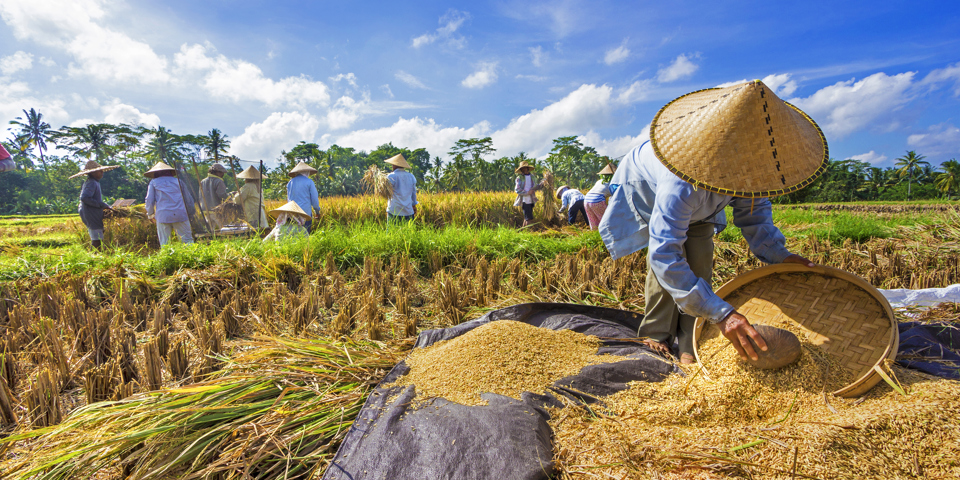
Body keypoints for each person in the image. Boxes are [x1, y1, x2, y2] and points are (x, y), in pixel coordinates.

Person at [598, 80, 825, 364]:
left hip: (701, 209)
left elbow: (755, 217)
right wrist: (724, 314)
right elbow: (664, 253)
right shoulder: (680, 181)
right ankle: (656, 334)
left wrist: (781, 256)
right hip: (647, 188)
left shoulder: (750, 174)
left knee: (701, 261)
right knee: (667, 265)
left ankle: (689, 341)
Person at [69, 160, 120, 250]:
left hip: (91, 212)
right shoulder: (92, 183)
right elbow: (85, 198)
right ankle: (94, 256)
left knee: (99, 235)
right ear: (92, 173)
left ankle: (97, 255)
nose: (102, 172)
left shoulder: (93, 182)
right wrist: (101, 205)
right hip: (91, 213)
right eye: (99, 171)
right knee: (97, 239)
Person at [145, 162, 195, 246]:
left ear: (156, 173)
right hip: (180, 214)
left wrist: (150, 214)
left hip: (163, 215)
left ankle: (167, 258)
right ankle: (192, 258)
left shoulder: (153, 182)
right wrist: (191, 212)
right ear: (170, 172)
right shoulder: (178, 181)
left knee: (165, 244)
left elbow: (149, 200)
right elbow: (188, 199)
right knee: (187, 242)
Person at [286, 161, 320, 232]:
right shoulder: (309, 182)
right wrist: (317, 211)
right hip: (305, 213)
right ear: (306, 172)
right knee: (305, 234)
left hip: (292, 212)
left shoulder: (290, 183)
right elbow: (314, 199)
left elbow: (288, 198)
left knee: (293, 235)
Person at [384, 154, 418, 223]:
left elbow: (386, 192)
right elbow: (413, 193)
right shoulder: (411, 176)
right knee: (408, 232)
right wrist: (413, 206)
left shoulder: (391, 176)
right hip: (408, 210)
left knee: (392, 232)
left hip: (394, 210)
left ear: (394, 165)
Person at [584, 163, 616, 230]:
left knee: (593, 221)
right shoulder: (613, 182)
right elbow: (616, 196)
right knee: (606, 220)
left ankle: (595, 235)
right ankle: (608, 236)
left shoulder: (600, 181)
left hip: (587, 199)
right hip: (597, 200)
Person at [199, 163, 229, 231]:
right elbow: (221, 195)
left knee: (210, 230)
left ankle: (210, 241)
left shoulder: (203, 181)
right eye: (221, 173)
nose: (223, 175)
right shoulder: (219, 181)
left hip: (206, 210)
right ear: (216, 172)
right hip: (217, 210)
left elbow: (200, 196)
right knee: (224, 229)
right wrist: (229, 198)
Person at [513, 161, 539, 228]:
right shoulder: (519, 178)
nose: (524, 170)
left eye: (525, 168)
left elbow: (536, 186)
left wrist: (543, 183)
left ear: (528, 168)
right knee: (529, 218)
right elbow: (517, 190)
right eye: (522, 169)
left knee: (527, 217)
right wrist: (527, 193)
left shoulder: (533, 177)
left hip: (532, 199)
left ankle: (523, 231)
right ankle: (530, 232)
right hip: (525, 200)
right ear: (521, 170)